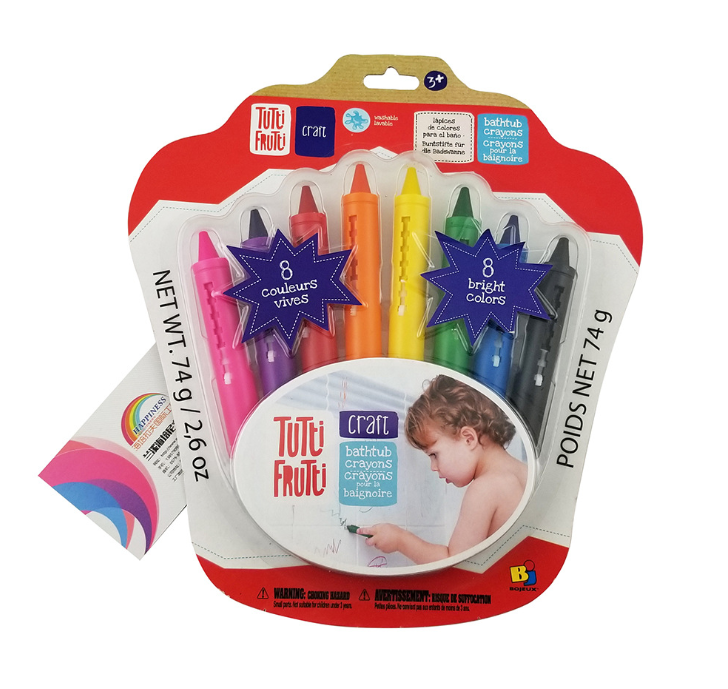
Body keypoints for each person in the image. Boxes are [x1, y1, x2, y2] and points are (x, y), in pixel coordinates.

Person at [358, 375, 526, 564]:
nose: (433, 467)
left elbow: (455, 563)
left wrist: (400, 540)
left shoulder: (484, 489)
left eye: (434, 455)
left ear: (469, 438)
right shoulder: (524, 472)